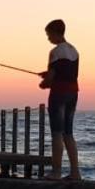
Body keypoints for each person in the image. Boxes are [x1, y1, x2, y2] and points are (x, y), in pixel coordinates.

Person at [37, 19, 81, 180]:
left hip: (59, 94)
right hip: (73, 92)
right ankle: (75, 172)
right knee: (68, 133)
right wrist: (48, 75)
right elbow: (66, 72)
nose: (48, 38)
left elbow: (52, 77)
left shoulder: (55, 52)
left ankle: (56, 171)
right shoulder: (73, 50)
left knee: (57, 133)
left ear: (55, 33)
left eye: (49, 35)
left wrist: (44, 83)